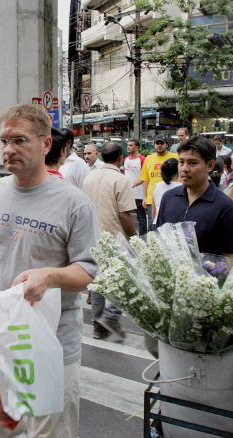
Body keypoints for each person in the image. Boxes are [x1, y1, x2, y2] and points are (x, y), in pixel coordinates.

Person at [0, 104, 99, 437]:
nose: (8, 150)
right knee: (7, 428)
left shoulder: (74, 203)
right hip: (4, 337)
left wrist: (50, 276)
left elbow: (90, 272)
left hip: (53, 346)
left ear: (46, 144)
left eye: (19, 140)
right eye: (4, 141)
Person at [83, 142, 135, 341]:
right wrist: (133, 239)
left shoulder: (89, 178)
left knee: (97, 283)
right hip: (114, 237)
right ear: (120, 158)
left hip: (92, 236)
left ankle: (98, 324)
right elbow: (124, 215)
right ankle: (111, 315)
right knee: (124, 279)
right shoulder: (121, 180)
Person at [157, 136, 233, 256]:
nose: (185, 169)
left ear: (210, 166)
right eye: (181, 162)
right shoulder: (169, 197)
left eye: (192, 163)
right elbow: (160, 240)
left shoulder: (224, 206)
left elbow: (229, 256)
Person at [140, 135, 178, 223]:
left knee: (169, 225)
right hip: (152, 199)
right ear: (154, 145)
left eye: (162, 143)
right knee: (152, 225)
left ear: (167, 145)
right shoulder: (148, 159)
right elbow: (145, 179)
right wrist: (145, 197)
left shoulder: (175, 158)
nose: (159, 145)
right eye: (157, 143)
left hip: (171, 198)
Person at [123, 138, 147, 234]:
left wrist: (132, 185)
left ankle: (143, 238)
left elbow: (144, 177)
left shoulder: (142, 159)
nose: (128, 147)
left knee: (141, 217)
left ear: (137, 147)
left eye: (131, 145)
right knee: (126, 215)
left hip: (139, 193)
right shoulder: (125, 159)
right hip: (127, 193)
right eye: (128, 145)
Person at [151, 158, 181, 226]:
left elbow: (154, 211)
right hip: (177, 227)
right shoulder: (184, 187)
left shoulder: (156, 186)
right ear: (179, 170)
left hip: (157, 223)